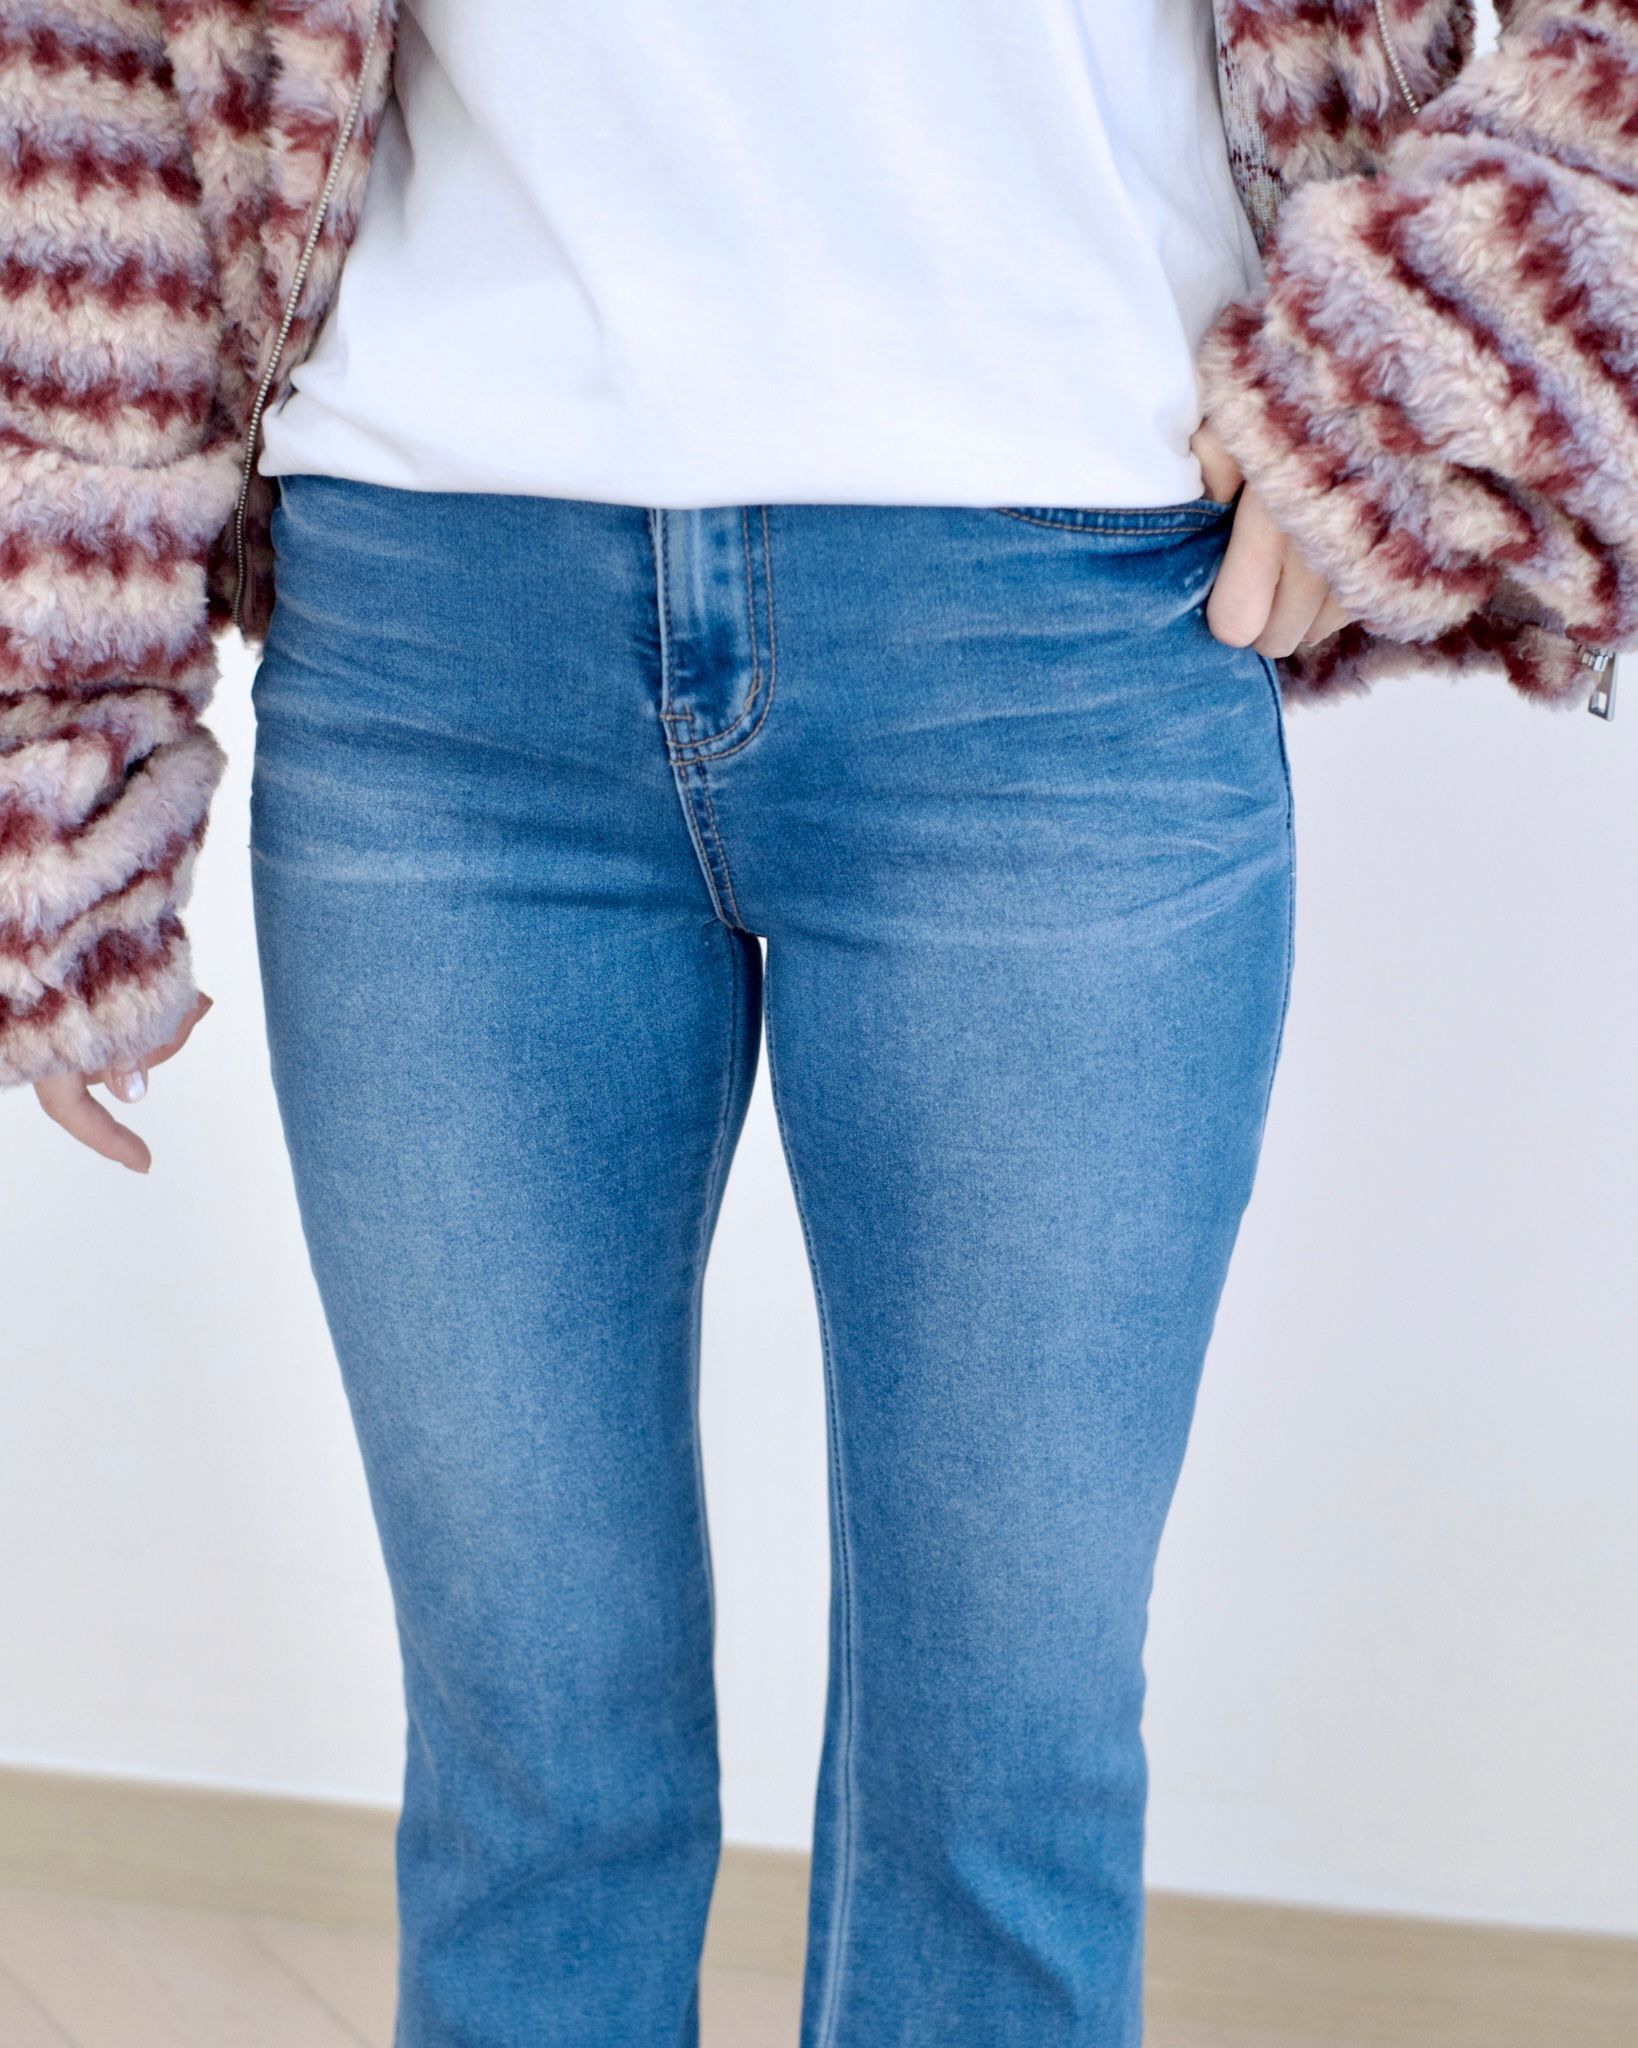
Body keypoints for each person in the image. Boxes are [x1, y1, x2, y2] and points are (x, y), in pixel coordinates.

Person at [2, 3, 1633, 2042]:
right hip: (440, 636)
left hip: (1060, 635)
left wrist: (1429, 366)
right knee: (527, 1767)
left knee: (1002, 1774)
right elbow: (80, 45)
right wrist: (55, 724)